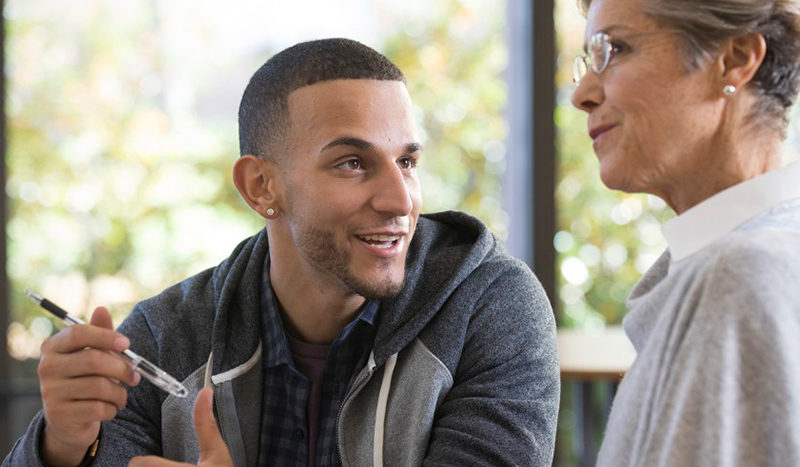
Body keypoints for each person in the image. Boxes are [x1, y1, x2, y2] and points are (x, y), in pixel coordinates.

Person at [3, 38, 559, 466]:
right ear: (261, 187)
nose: (400, 200)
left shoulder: (492, 308)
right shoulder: (167, 336)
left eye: (407, 162)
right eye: (352, 163)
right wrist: (61, 447)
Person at [571, 0, 800, 465]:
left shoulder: (739, 275)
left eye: (615, 48)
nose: (582, 93)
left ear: (734, 59)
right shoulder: (753, 258)